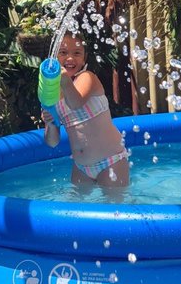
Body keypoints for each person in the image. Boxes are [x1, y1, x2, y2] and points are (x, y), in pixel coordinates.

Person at [41, 32, 129, 189]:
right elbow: (52, 142)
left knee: (115, 208)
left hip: (110, 161)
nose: (70, 58)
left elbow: (75, 103)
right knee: (73, 209)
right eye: (63, 53)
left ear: (84, 58)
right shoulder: (53, 96)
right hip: (81, 167)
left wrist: (65, 81)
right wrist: (50, 123)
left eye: (77, 53)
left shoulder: (87, 78)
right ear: (54, 58)